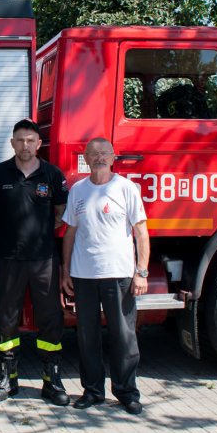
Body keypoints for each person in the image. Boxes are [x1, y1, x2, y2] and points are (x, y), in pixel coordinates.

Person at [0, 119, 70, 406]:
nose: (25, 145)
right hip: (9, 258)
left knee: (50, 317)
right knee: (7, 317)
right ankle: (8, 376)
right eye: (20, 140)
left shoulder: (52, 175)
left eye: (30, 140)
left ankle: (52, 378)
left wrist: (44, 231)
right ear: (12, 143)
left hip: (44, 259)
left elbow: (62, 213)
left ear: (38, 144)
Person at [61, 137, 149, 415]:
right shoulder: (77, 190)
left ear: (113, 157)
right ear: (85, 158)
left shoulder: (126, 189)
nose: (99, 158)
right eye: (93, 154)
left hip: (119, 274)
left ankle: (126, 392)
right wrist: (65, 270)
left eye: (104, 154)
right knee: (87, 336)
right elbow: (70, 232)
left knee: (123, 336)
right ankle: (93, 391)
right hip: (83, 274)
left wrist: (141, 272)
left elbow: (141, 232)